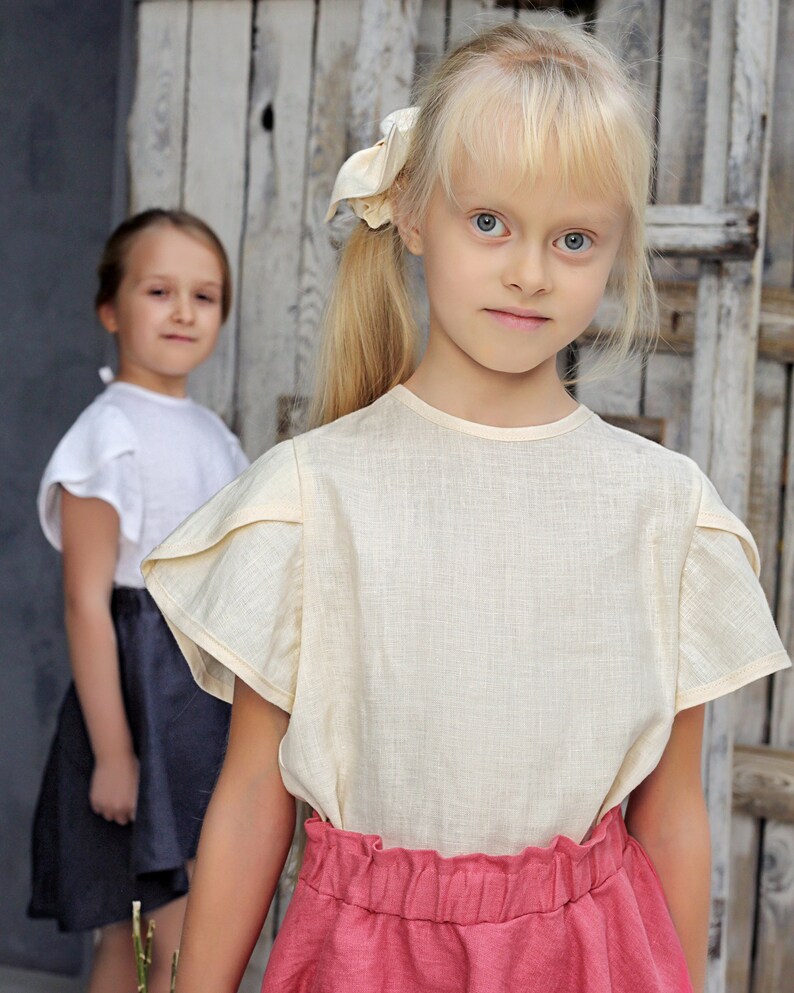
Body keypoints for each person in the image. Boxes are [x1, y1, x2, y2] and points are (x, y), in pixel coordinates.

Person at [143, 23, 790, 993]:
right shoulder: (309, 496)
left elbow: (670, 818)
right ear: (411, 212)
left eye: (572, 239)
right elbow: (249, 800)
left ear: (615, 250)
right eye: (488, 221)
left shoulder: (663, 512)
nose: (529, 271)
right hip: (362, 967)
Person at [29, 209, 249, 993]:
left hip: (197, 696)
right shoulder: (109, 436)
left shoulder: (216, 437)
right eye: (160, 291)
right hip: (135, 696)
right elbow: (89, 603)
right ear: (111, 310)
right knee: (158, 931)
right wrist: (116, 752)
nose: (185, 311)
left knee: (166, 927)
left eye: (206, 295)